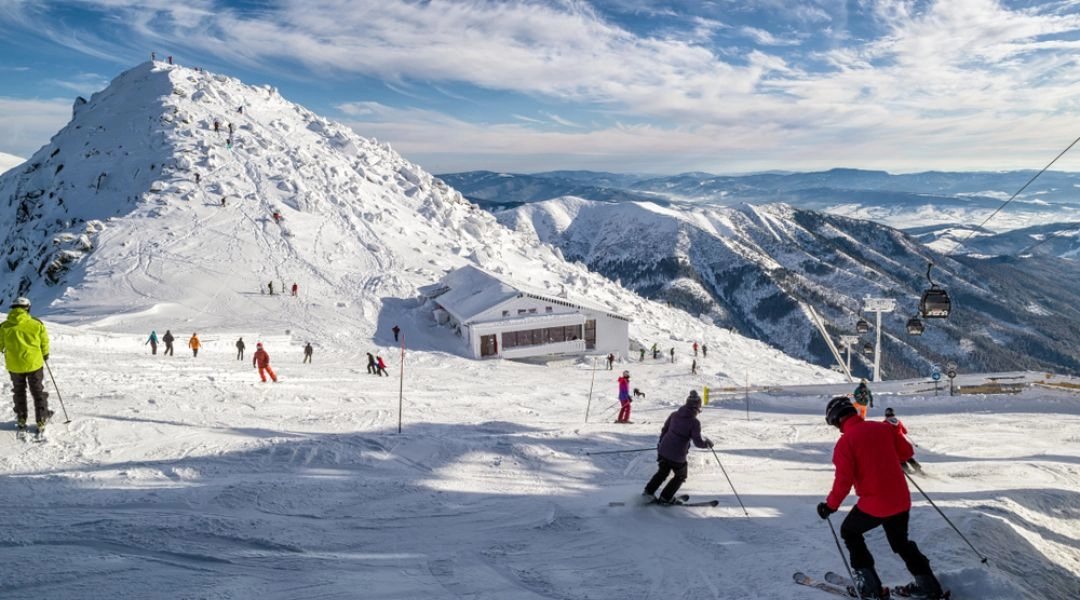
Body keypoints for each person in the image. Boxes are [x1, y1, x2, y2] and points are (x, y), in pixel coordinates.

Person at [817, 396, 945, 599]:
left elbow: (843, 481)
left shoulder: (845, 443)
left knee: (849, 532)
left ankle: (870, 587)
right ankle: (929, 586)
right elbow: (906, 452)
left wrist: (830, 506)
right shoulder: (883, 428)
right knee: (901, 543)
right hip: (901, 500)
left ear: (835, 420)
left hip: (875, 504)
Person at [643, 390, 712, 504]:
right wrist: (708, 444)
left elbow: (664, 430)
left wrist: (661, 445)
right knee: (681, 475)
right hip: (677, 455)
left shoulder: (674, 414)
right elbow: (698, 442)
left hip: (663, 449)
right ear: (696, 407)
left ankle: (648, 493)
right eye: (699, 408)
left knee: (663, 472)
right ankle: (666, 497)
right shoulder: (694, 422)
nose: (699, 411)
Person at [0, 297, 53, 433]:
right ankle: (41, 418)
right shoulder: (36, 324)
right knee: (37, 391)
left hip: (14, 365)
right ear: (27, 308)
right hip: (34, 364)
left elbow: (0, 345)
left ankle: (21, 418)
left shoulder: (4, 326)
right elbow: (44, 341)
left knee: (19, 391)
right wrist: (45, 354)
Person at [885, 408, 924, 474]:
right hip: (904, 443)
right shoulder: (898, 421)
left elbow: (884, 434)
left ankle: (907, 470)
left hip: (895, 444)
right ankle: (918, 469)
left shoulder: (885, 423)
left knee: (899, 458)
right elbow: (905, 431)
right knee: (908, 456)